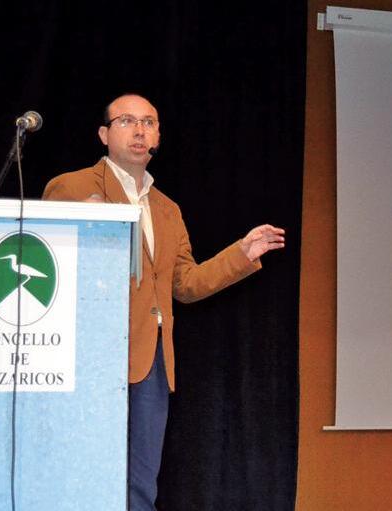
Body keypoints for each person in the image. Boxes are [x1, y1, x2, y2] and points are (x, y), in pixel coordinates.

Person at [42, 93, 285, 510]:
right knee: (83, 470)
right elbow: (52, 262)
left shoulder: (167, 209)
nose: (139, 130)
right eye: (127, 121)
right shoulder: (73, 187)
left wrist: (241, 254)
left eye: (149, 122)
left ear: (158, 136)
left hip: (152, 359)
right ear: (103, 134)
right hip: (92, 354)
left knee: (141, 482)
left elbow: (185, 283)